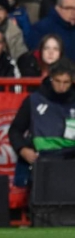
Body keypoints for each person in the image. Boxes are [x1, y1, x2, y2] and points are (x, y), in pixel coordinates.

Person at [8, 58, 75, 186]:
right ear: (50, 78)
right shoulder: (34, 100)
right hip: (42, 163)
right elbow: (15, 130)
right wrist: (22, 149)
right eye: (58, 81)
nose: (61, 87)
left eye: (66, 82)